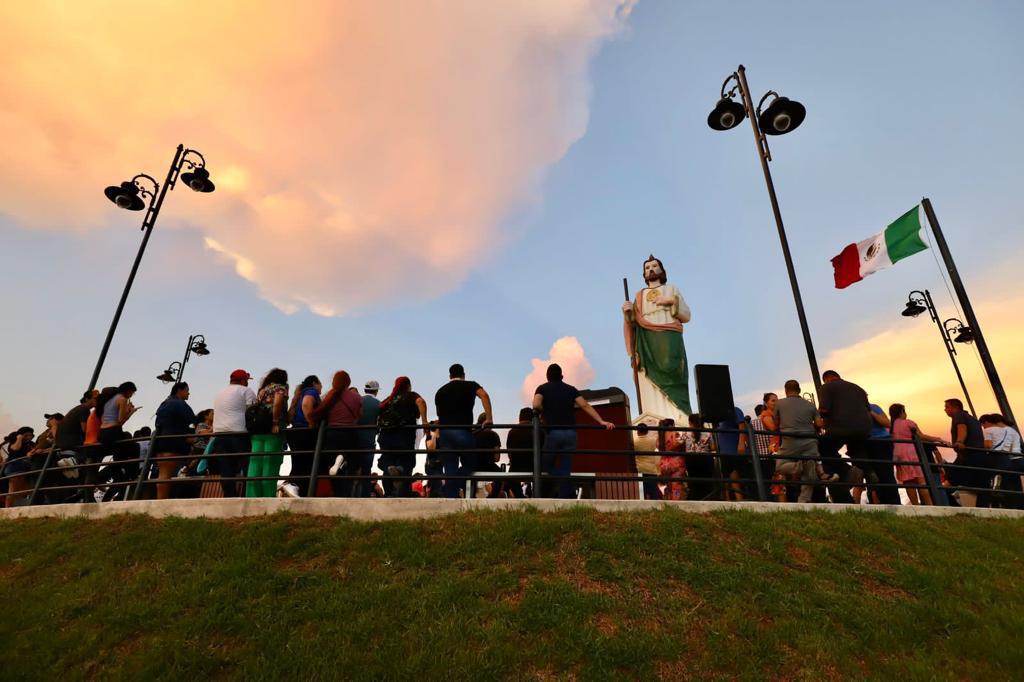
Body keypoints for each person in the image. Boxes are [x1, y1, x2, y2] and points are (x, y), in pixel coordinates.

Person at [622, 255, 692, 423]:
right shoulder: (639, 295)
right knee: (645, 375)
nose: (651, 269)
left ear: (662, 270)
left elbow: (687, 315)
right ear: (644, 274)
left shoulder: (671, 289)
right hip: (646, 341)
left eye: (654, 266)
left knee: (673, 369)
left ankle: (681, 415)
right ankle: (653, 416)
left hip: (669, 335)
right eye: (647, 267)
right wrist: (628, 312)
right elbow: (632, 321)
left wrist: (670, 301)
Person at [532, 363, 615, 499]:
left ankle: (567, 485)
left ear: (547, 376)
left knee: (544, 465)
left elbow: (536, 404)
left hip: (553, 432)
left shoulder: (542, 388)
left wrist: (541, 413)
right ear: (562, 375)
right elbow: (584, 405)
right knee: (565, 467)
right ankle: (566, 497)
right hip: (571, 433)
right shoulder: (571, 389)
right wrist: (601, 421)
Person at [434, 364, 493, 498]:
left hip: (445, 433)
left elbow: (440, 415)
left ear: (450, 376)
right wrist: (489, 417)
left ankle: (450, 498)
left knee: (449, 468)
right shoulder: (470, 385)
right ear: (464, 375)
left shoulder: (440, 391)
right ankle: (448, 487)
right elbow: (484, 395)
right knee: (471, 463)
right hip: (463, 431)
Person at [774, 380, 835, 504]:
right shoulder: (810, 405)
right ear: (799, 390)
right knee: (809, 471)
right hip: (810, 442)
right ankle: (804, 500)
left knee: (780, 467)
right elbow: (819, 424)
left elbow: (776, 423)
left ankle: (799, 466)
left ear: (786, 390)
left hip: (789, 441)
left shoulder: (779, 404)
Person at [816, 370, 871, 504]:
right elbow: (868, 409)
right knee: (859, 454)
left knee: (823, 448)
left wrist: (817, 419)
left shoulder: (826, 387)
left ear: (826, 379)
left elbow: (824, 409)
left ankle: (847, 471)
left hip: (840, 428)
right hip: (864, 429)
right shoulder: (858, 388)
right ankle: (869, 473)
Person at [312, 370, 363, 497]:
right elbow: (359, 415)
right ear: (348, 382)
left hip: (332, 433)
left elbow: (322, 412)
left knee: (331, 467)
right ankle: (345, 491)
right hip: (349, 432)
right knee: (351, 464)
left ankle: (337, 492)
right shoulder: (356, 397)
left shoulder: (329, 395)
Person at [377, 376, 429, 497]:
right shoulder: (410, 395)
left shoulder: (388, 399)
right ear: (408, 386)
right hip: (404, 437)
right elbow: (420, 402)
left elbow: (379, 411)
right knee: (408, 461)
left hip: (386, 437)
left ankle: (389, 492)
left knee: (386, 462)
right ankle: (400, 470)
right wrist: (425, 421)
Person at [211, 370, 257, 497]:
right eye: (247, 380)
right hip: (239, 433)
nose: (247, 382)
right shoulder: (246, 390)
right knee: (248, 467)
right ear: (243, 380)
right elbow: (252, 411)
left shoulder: (220, 392)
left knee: (226, 470)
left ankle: (229, 497)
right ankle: (249, 496)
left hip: (220, 434)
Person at [889, 404, 943, 506]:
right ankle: (929, 505)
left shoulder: (891, 425)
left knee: (908, 482)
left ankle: (915, 506)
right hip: (910, 453)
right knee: (921, 481)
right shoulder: (909, 423)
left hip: (898, 454)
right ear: (902, 412)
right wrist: (937, 439)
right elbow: (921, 436)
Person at [246, 369, 289, 498]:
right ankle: (267, 497)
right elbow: (278, 402)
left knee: (255, 463)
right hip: (272, 430)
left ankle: (252, 497)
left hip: (258, 429)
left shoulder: (263, 390)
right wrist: (275, 422)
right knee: (270, 463)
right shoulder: (281, 388)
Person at [97, 381, 141, 501]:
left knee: (119, 459)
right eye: (132, 393)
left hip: (103, 433)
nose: (131, 395)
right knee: (135, 447)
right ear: (128, 391)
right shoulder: (122, 399)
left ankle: (118, 476)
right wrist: (130, 412)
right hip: (113, 432)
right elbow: (120, 421)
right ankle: (133, 475)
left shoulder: (109, 399)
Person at [154, 382, 197, 501]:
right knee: (167, 474)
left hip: (161, 440)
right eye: (187, 390)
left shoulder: (164, 404)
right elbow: (192, 419)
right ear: (180, 390)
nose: (189, 393)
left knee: (163, 474)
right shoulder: (179, 403)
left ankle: (161, 499)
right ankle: (161, 501)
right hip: (173, 442)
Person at [53, 390, 99, 500]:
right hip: (72, 442)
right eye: (95, 399)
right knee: (92, 458)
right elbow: (85, 430)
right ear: (87, 399)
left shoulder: (78, 409)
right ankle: (76, 461)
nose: (96, 401)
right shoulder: (84, 410)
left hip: (64, 443)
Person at [945, 398, 988, 507]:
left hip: (967, 455)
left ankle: (946, 506)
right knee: (979, 486)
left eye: (947, 407)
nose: (945, 410)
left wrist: (959, 441)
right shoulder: (973, 419)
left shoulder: (958, 416)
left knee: (949, 481)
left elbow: (962, 428)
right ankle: (981, 509)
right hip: (978, 455)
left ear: (955, 407)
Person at [286, 375, 321, 496]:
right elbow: (306, 404)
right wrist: (311, 422)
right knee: (307, 465)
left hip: (295, 432)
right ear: (314, 383)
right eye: (320, 384)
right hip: (305, 432)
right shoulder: (311, 391)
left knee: (298, 463)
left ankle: (293, 488)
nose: (321, 387)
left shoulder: (299, 394)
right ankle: (301, 491)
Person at [980, 413, 1023, 509]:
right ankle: (1018, 506)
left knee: (1007, 485)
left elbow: (990, 446)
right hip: (1017, 458)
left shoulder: (1003, 430)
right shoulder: (1012, 431)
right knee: (1015, 487)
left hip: (1011, 460)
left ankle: (1011, 506)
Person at [353, 380, 381, 497]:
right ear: (376, 391)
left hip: (354, 441)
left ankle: (349, 495)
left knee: (352, 470)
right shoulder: (378, 404)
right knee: (366, 471)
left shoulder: (356, 401)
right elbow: (379, 424)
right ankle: (364, 496)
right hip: (369, 441)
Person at [717, 406, 749, 501]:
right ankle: (729, 502)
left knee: (735, 477)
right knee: (728, 478)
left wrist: (741, 443)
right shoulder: (718, 416)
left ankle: (740, 500)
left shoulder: (735, 410)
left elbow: (742, 424)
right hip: (724, 452)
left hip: (734, 450)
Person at [681, 414, 715, 501]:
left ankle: (695, 500)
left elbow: (679, 443)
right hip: (705, 459)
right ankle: (708, 499)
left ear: (690, 422)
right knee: (706, 481)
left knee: (694, 481)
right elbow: (713, 447)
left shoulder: (686, 433)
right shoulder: (708, 433)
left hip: (691, 460)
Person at [504, 408, 535, 498]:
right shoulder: (537, 430)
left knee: (509, 482)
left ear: (520, 418)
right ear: (532, 418)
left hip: (516, 467)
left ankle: (519, 496)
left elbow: (509, 452)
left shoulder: (512, 431)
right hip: (534, 466)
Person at [3, 427, 36, 507]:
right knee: (13, 490)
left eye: (30, 435)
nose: (28, 437)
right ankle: (7, 509)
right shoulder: (14, 442)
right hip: (14, 468)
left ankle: (18, 507)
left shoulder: (31, 444)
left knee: (23, 490)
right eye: (26, 435)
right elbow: (15, 448)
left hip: (25, 468)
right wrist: (19, 438)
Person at [658, 419, 687, 501]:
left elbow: (658, 446)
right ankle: (676, 502)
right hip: (676, 463)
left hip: (664, 464)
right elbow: (678, 444)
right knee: (676, 486)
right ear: (672, 425)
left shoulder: (660, 436)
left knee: (669, 485)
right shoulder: (675, 434)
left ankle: (669, 502)